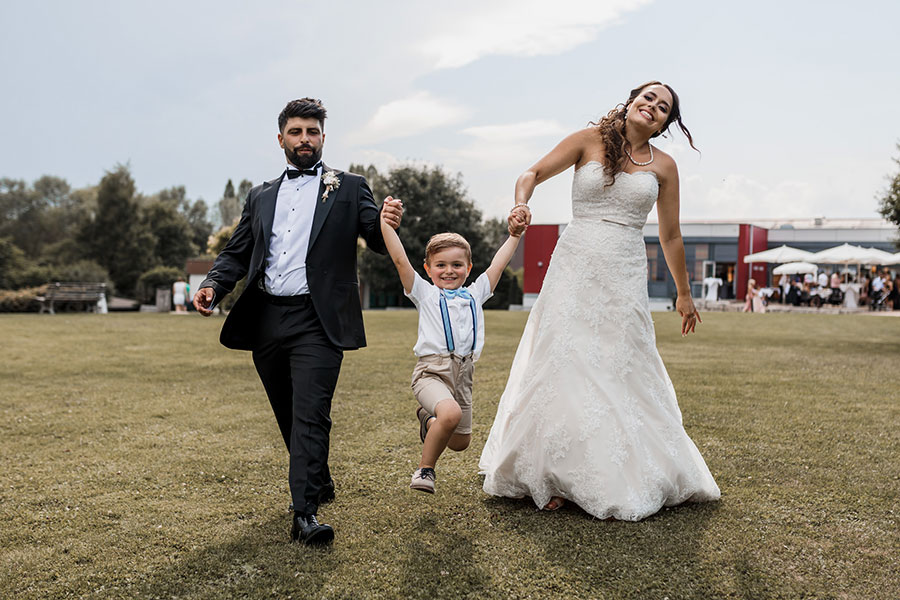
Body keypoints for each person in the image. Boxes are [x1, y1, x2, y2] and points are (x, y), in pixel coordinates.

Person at [479, 81, 720, 519]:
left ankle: (618, 469)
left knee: (620, 364)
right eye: (648, 98)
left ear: (666, 122)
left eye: (663, 107)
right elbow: (530, 174)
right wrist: (520, 203)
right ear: (631, 101)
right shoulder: (586, 141)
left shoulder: (664, 167)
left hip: (625, 269)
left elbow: (670, 235)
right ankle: (551, 473)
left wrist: (684, 293)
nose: (653, 107)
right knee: (563, 361)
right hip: (575, 263)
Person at [193, 98, 403, 546]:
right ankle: (319, 481)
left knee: (311, 414)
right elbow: (237, 251)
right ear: (281, 139)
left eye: (312, 131)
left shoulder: (349, 186)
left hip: (318, 318)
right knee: (288, 413)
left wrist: (387, 224)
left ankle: (304, 514)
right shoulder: (261, 195)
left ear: (323, 138)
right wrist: (214, 283)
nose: (304, 139)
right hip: (267, 317)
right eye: (296, 132)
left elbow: (373, 237)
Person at [378, 201, 525, 493]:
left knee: (460, 442)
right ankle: (425, 471)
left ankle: (429, 420)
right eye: (441, 265)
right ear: (428, 269)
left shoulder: (476, 293)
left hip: (463, 375)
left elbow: (498, 264)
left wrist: (515, 235)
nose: (449, 271)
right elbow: (399, 259)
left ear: (468, 268)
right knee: (451, 415)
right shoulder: (424, 293)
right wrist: (386, 225)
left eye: (457, 265)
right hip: (431, 372)